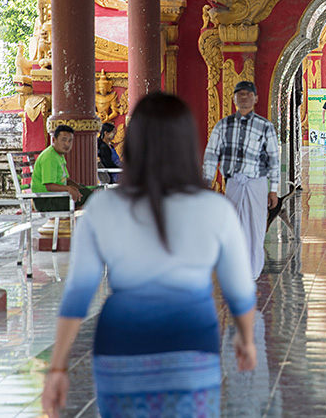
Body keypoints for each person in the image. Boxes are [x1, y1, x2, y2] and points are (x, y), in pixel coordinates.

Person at [41, 93, 257, 418]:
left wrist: (57, 367)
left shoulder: (103, 208)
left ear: (135, 143)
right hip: (193, 342)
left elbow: (78, 293)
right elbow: (239, 289)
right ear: (187, 143)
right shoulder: (215, 209)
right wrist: (246, 337)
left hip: (120, 346)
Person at [203, 81, 280, 281]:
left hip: (257, 183)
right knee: (232, 226)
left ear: (255, 98)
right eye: (240, 94)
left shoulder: (265, 126)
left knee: (255, 228)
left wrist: (274, 189)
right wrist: (207, 182)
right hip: (234, 183)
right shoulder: (223, 125)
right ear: (234, 98)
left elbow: (273, 158)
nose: (244, 97)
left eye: (248, 94)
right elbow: (211, 155)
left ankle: (252, 271)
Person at [32, 125, 90, 208]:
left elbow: (66, 180)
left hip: (57, 196)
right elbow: (49, 186)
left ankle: (79, 216)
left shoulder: (59, 155)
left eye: (70, 141)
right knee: (87, 197)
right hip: (46, 200)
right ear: (54, 140)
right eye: (64, 140)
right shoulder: (49, 157)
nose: (67, 144)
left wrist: (79, 189)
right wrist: (68, 189)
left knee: (85, 192)